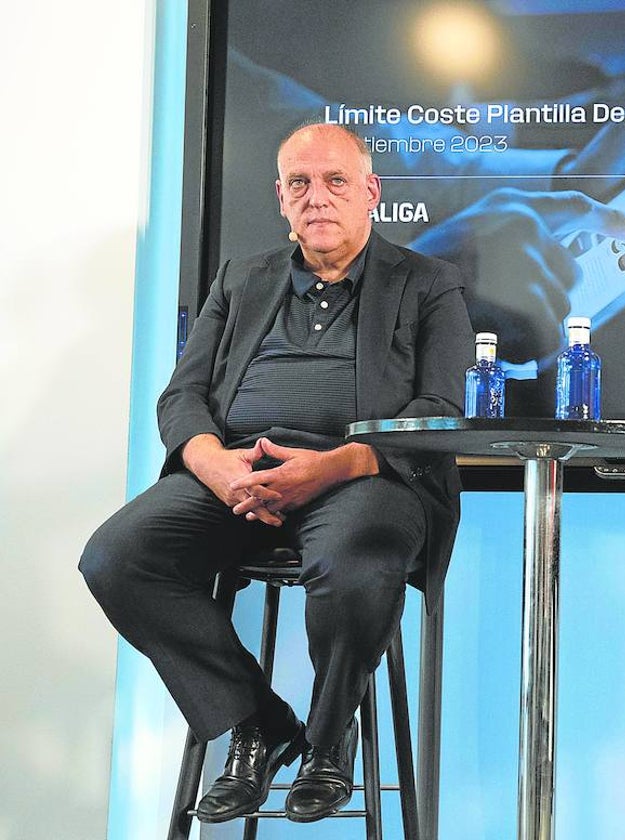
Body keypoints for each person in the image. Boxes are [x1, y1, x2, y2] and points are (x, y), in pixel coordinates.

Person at [79, 123, 474, 825]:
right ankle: (257, 724)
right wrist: (212, 463)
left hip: (364, 477)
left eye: (335, 182)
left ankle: (328, 742)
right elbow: (183, 395)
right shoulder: (242, 278)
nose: (316, 198)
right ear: (281, 199)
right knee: (116, 558)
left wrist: (331, 466)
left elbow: (441, 413)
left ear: (371, 193)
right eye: (299, 184)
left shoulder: (428, 284)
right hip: (240, 476)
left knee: (357, 564)